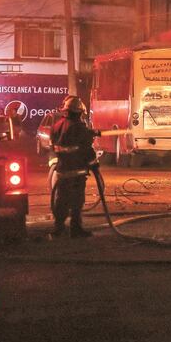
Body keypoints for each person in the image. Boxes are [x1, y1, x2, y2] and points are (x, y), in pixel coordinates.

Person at [50, 95, 97, 238]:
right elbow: (86, 149)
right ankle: (76, 229)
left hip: (62, 169)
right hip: (77, 171)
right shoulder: (79, 127)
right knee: (77, 201)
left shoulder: (56, 126)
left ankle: (58, 228)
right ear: (78, 112)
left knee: (61, 200)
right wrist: (94, 164)